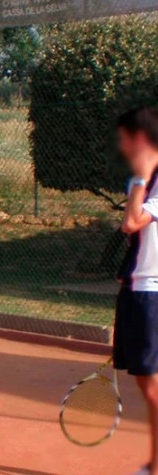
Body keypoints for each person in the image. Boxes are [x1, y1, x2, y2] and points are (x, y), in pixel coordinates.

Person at [115, 106, 158, 475]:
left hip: (151, 292)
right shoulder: (145, 180)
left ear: (140, 139)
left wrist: (140, 178)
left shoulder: (152, 179)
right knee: (146, 380)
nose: (121, 145)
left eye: (124, 137)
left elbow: (131, 222)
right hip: (137, 288)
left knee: (153, 385)